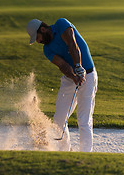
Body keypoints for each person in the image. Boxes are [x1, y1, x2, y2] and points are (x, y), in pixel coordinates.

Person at [26, 18, 98, 152]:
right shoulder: (47, 50)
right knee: (59, 120)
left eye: (38, 38)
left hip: (88, 74)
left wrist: (79, 67)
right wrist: (74, 77)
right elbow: (63, 65)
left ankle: (86, 155)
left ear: (42, 29)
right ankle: (65, 151)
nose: (38, 41)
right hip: (69, 79)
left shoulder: (61, 24)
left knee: (84, 119)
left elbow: (72, 44)